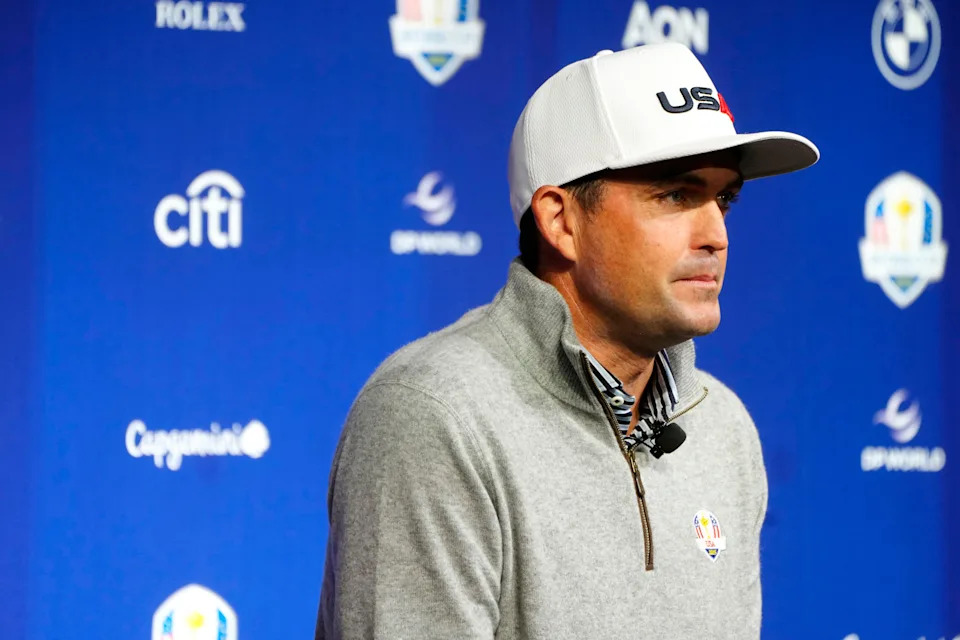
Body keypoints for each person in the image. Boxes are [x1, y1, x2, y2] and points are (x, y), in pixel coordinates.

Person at [315, 42, 818, 639]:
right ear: (560, 222)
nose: (715, 234)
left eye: (724, 199)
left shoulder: (724, 427)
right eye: (675, 195)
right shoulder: (433, 414)